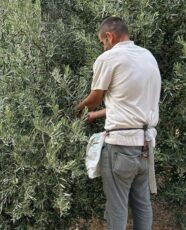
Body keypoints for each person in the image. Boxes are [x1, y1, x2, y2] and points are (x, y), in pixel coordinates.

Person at [76, 16, 161, 229]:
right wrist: (95, 116)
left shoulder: (109, 58)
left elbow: (94, 99)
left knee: (117, 208)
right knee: (142, 204)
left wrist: (76, 109)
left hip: (121, 146)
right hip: (145, 146)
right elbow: (129, 104)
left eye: (102, 43)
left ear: (109, 36)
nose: (103, 47)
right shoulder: (148, 57)